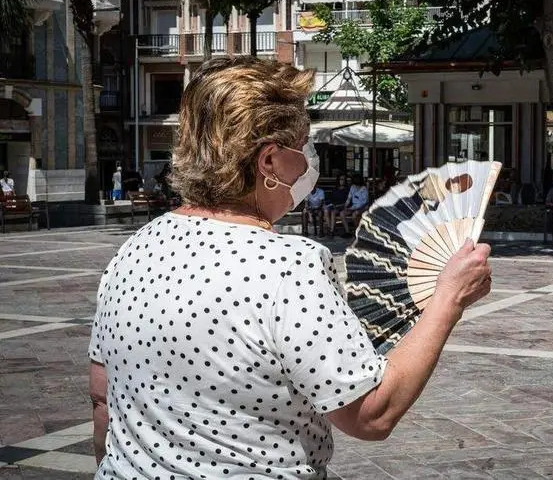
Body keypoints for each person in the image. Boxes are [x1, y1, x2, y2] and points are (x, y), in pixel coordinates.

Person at [88, 56, 493, 479]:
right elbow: (372, 413)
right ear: (269, 162)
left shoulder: (132, 250)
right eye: (304, 146)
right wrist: (448, 298)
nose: (308, 161)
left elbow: (102, 398)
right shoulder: (288, 266)